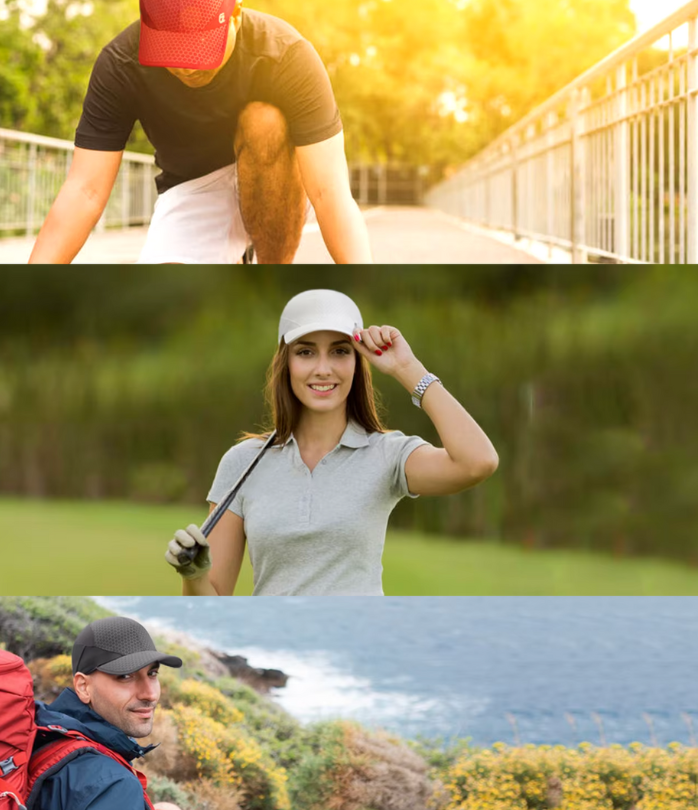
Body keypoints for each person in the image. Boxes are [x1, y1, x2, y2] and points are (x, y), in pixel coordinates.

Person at [165, 289, 499, 596]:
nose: (323, 369)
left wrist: (407, 369)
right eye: (306, 352)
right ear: (286, 363)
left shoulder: (387, 454)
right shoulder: (242, 462)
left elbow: (477, 462)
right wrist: (193, 575)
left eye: (340, 351)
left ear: (357, 362)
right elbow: (213, 600)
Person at [28, 0, 371, 264]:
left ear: (234, 15)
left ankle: (269, 282)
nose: (187, 65)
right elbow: (85, 190)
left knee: (264, 121)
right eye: (172, 49)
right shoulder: (121, 63)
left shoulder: (286, 55)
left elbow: (330, 193)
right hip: (192, 185)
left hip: (278, 172)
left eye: (199, 48)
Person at [32, 616, 183, 810]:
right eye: (126, 676)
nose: (150, 694)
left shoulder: (49, 728)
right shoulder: (112, 785)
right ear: (84, 686)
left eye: (152, 674)